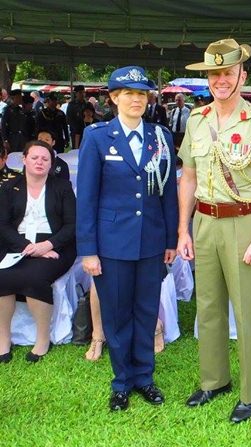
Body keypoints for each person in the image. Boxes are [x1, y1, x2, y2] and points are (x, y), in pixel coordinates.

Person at [176, 38, 251, 423]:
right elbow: (187, 176)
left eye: (228, 72)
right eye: (214, 73)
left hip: (244, 222)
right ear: (208, 78)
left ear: (243, 74)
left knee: (246, 310)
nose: (221, 80)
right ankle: (213, 380)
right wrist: (183, 230)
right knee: (207, 308)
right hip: (204, 222)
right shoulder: (197, 119)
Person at [76, 65, 178, 411]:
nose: (136, 100)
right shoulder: (97, 136)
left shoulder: (160, 136)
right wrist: (88, 250)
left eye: (142, 94)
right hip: (112, 244)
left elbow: (168, 192)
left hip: (150, 241)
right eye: (129, 94)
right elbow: (87, 197)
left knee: (146, 312)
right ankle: (121, 382)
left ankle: (145, 378)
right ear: (114, 98)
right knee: (118, 314)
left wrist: (170, 240)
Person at [0, 140, 76, 363]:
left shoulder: (62, 187)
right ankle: (3, 338)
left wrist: (47, 246)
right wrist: (26, 248)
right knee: (1, 277)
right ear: (24, 159)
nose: (40, 162)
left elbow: (72, 225)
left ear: (52, 163)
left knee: (35, 277)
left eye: (45, 159)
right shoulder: (8, 187)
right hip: (17, 244)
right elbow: (2, 225)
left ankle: (42, 339)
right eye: (34, 157)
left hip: (55, 246)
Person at [66, 85, 87, 149]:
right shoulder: (72, 105)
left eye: (84, 92)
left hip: (85, 131)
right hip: (75, 132)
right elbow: (68, 119)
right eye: (80, 92)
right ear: (76, 94)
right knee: (76, 150)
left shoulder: (87, 104)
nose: (82, 94)